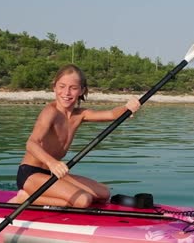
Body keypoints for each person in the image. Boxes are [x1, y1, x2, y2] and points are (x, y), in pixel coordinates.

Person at [8, 64, 141, 208]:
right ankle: (25, 197)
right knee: (83, 200)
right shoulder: (50, 112)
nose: (66, 92)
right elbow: (31, 143)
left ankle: (45, 195)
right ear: (54, 87)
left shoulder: (80, 115)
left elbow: (111, 114)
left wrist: (127, 108)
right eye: (62, 86)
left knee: (104, 193)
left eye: (73, 88)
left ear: (82, 90)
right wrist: (52, 163)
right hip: (30, 174)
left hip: (52, 174)